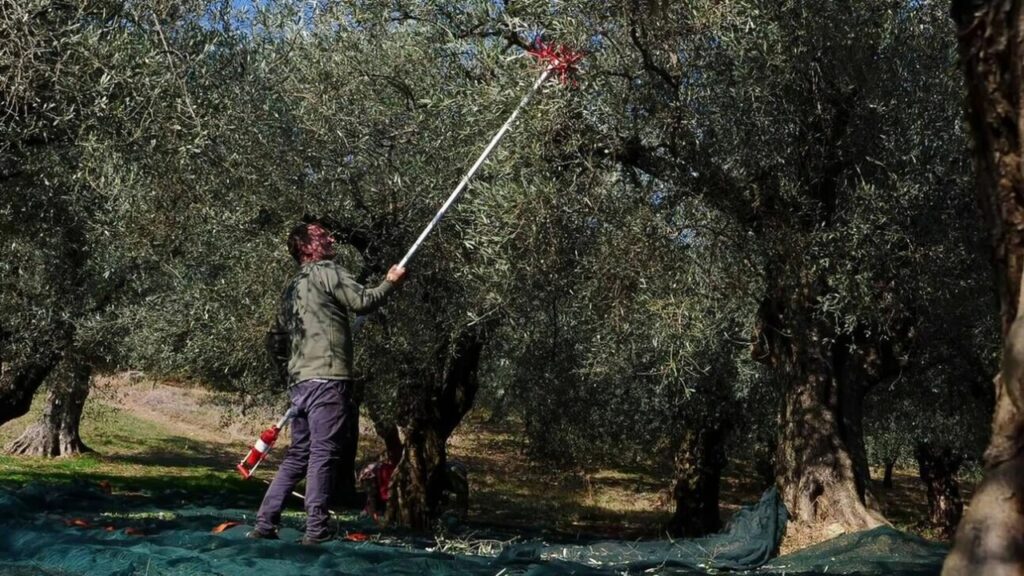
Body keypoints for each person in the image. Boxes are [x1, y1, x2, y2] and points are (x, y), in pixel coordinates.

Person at [250, 221, 406, 544]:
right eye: (323, 235)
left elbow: (275, 340)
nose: (331, 238)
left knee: (298, 455)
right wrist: (390, 283)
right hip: (328, 382)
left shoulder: (292, 287)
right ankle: (316, 530)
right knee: (322, 453)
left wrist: (292, 372)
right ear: (308, 247)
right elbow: (363, 300)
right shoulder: (327, 271)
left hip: (301, 385)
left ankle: (265, 523)